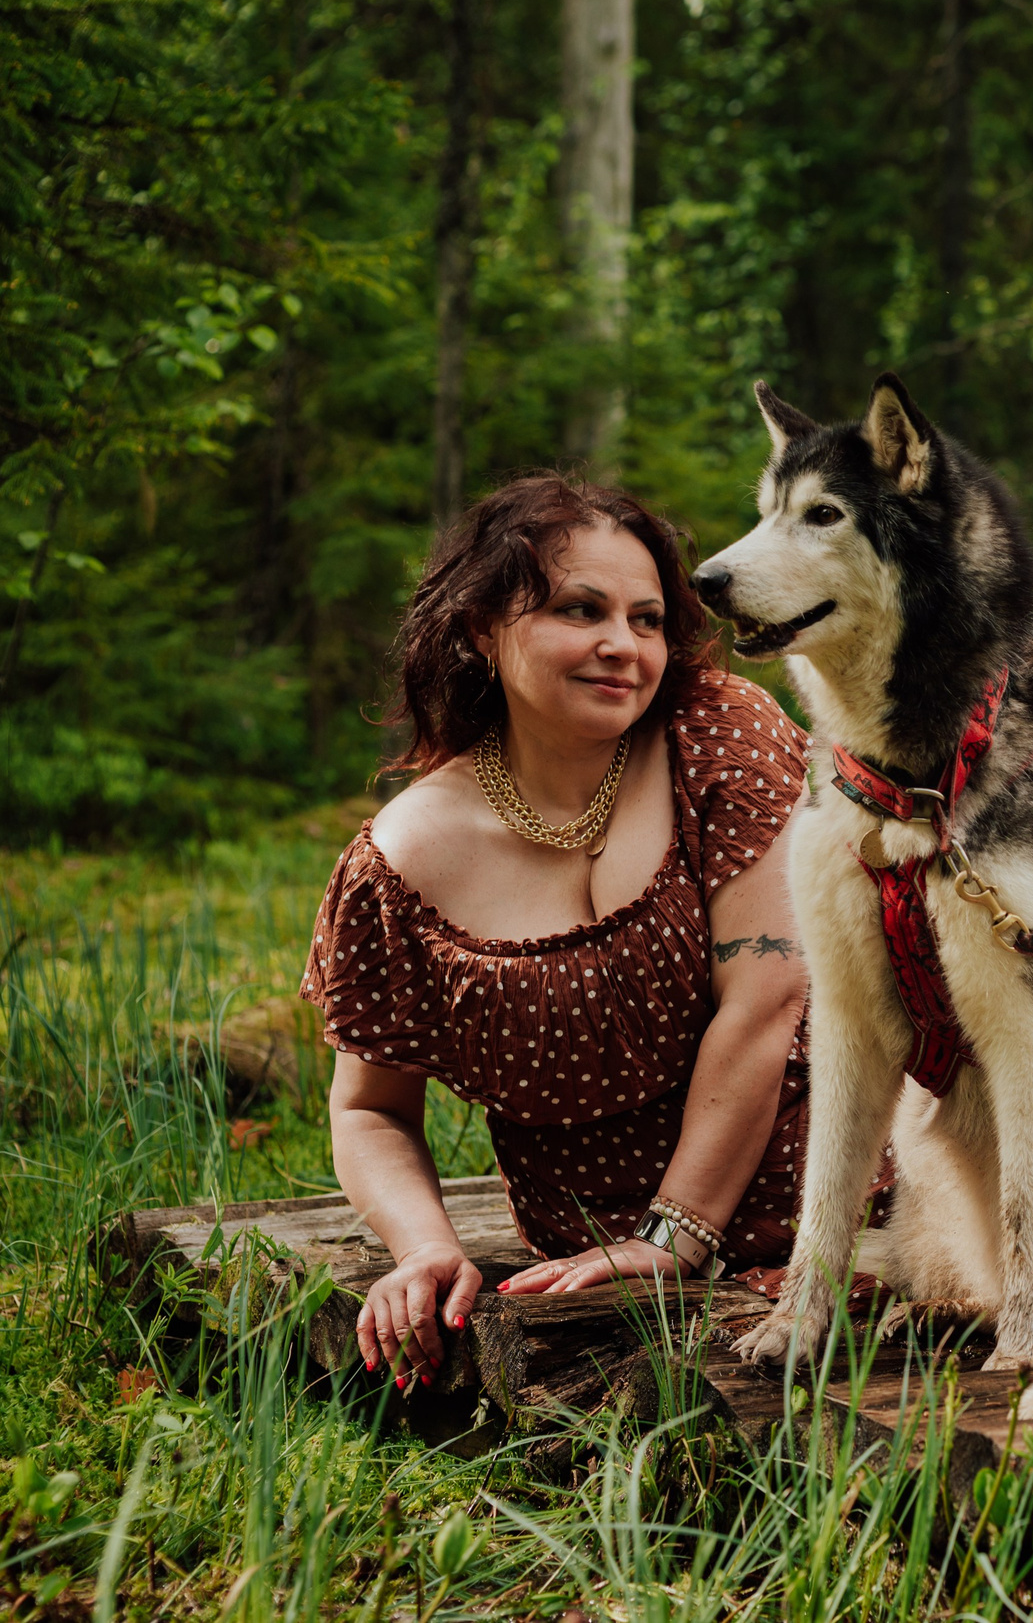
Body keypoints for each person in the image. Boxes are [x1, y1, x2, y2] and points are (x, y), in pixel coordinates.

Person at [300, 473, 863, 1386]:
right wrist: (425, 1248)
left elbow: (768, 998)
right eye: (580, 609)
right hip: (585, 1278)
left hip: (847, 1221)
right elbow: (370, 1108)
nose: (622, 646)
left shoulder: (716, 734)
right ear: (483, 627)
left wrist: (675, 1233)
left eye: (647, 619)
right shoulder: (400, 863)